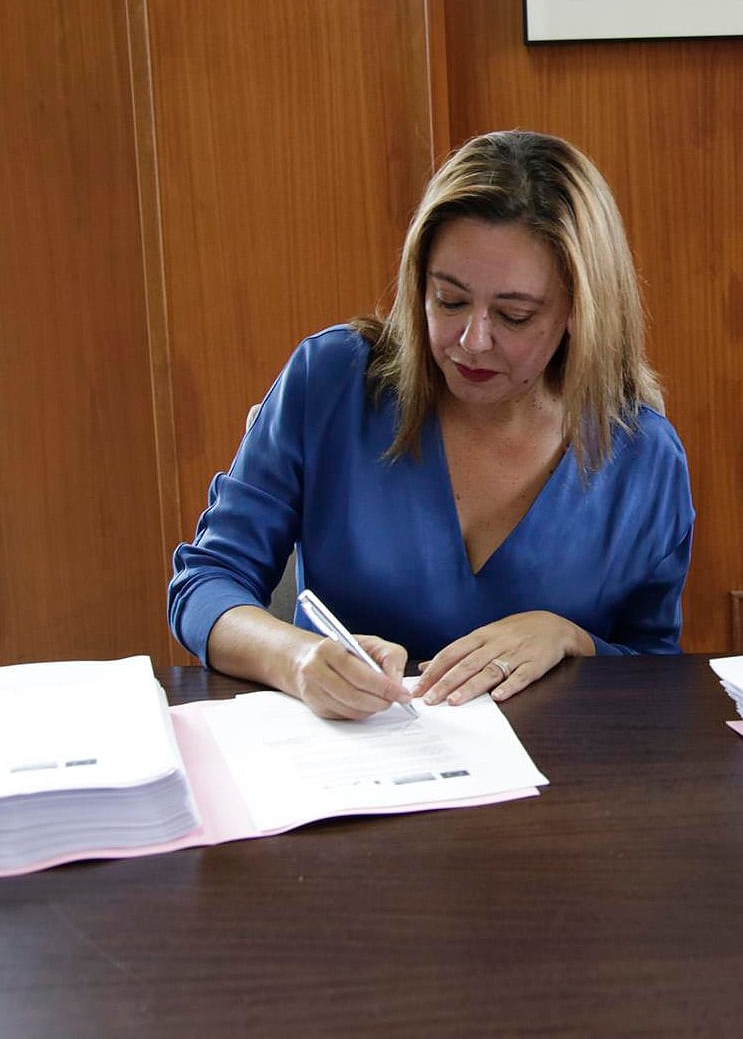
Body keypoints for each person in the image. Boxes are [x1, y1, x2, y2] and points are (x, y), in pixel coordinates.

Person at [169, 131, 692, 719]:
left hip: (555, 788)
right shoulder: (331, 382)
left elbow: (656, 668)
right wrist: (297, 659)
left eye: (515, 315)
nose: (473, 341)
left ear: (579, 311)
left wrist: (570, 638)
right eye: (449, 301)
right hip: (356, 768)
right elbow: (206, 583)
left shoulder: (643, 456)